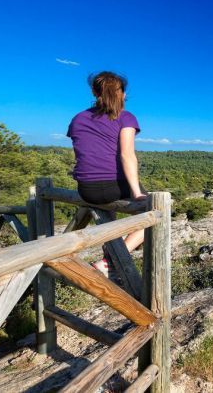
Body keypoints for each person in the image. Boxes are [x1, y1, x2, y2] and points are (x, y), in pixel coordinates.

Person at [66, 71, 146, 277]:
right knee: (155, 216)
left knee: (109, 220)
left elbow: (85, 152)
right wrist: (137, 193)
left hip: (87, 190)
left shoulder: (77, 119)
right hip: (113, 186)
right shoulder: (125, 117)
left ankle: (110, 253)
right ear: (122, 94)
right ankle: (109, 262)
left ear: (95, 92)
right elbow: (127, 156)